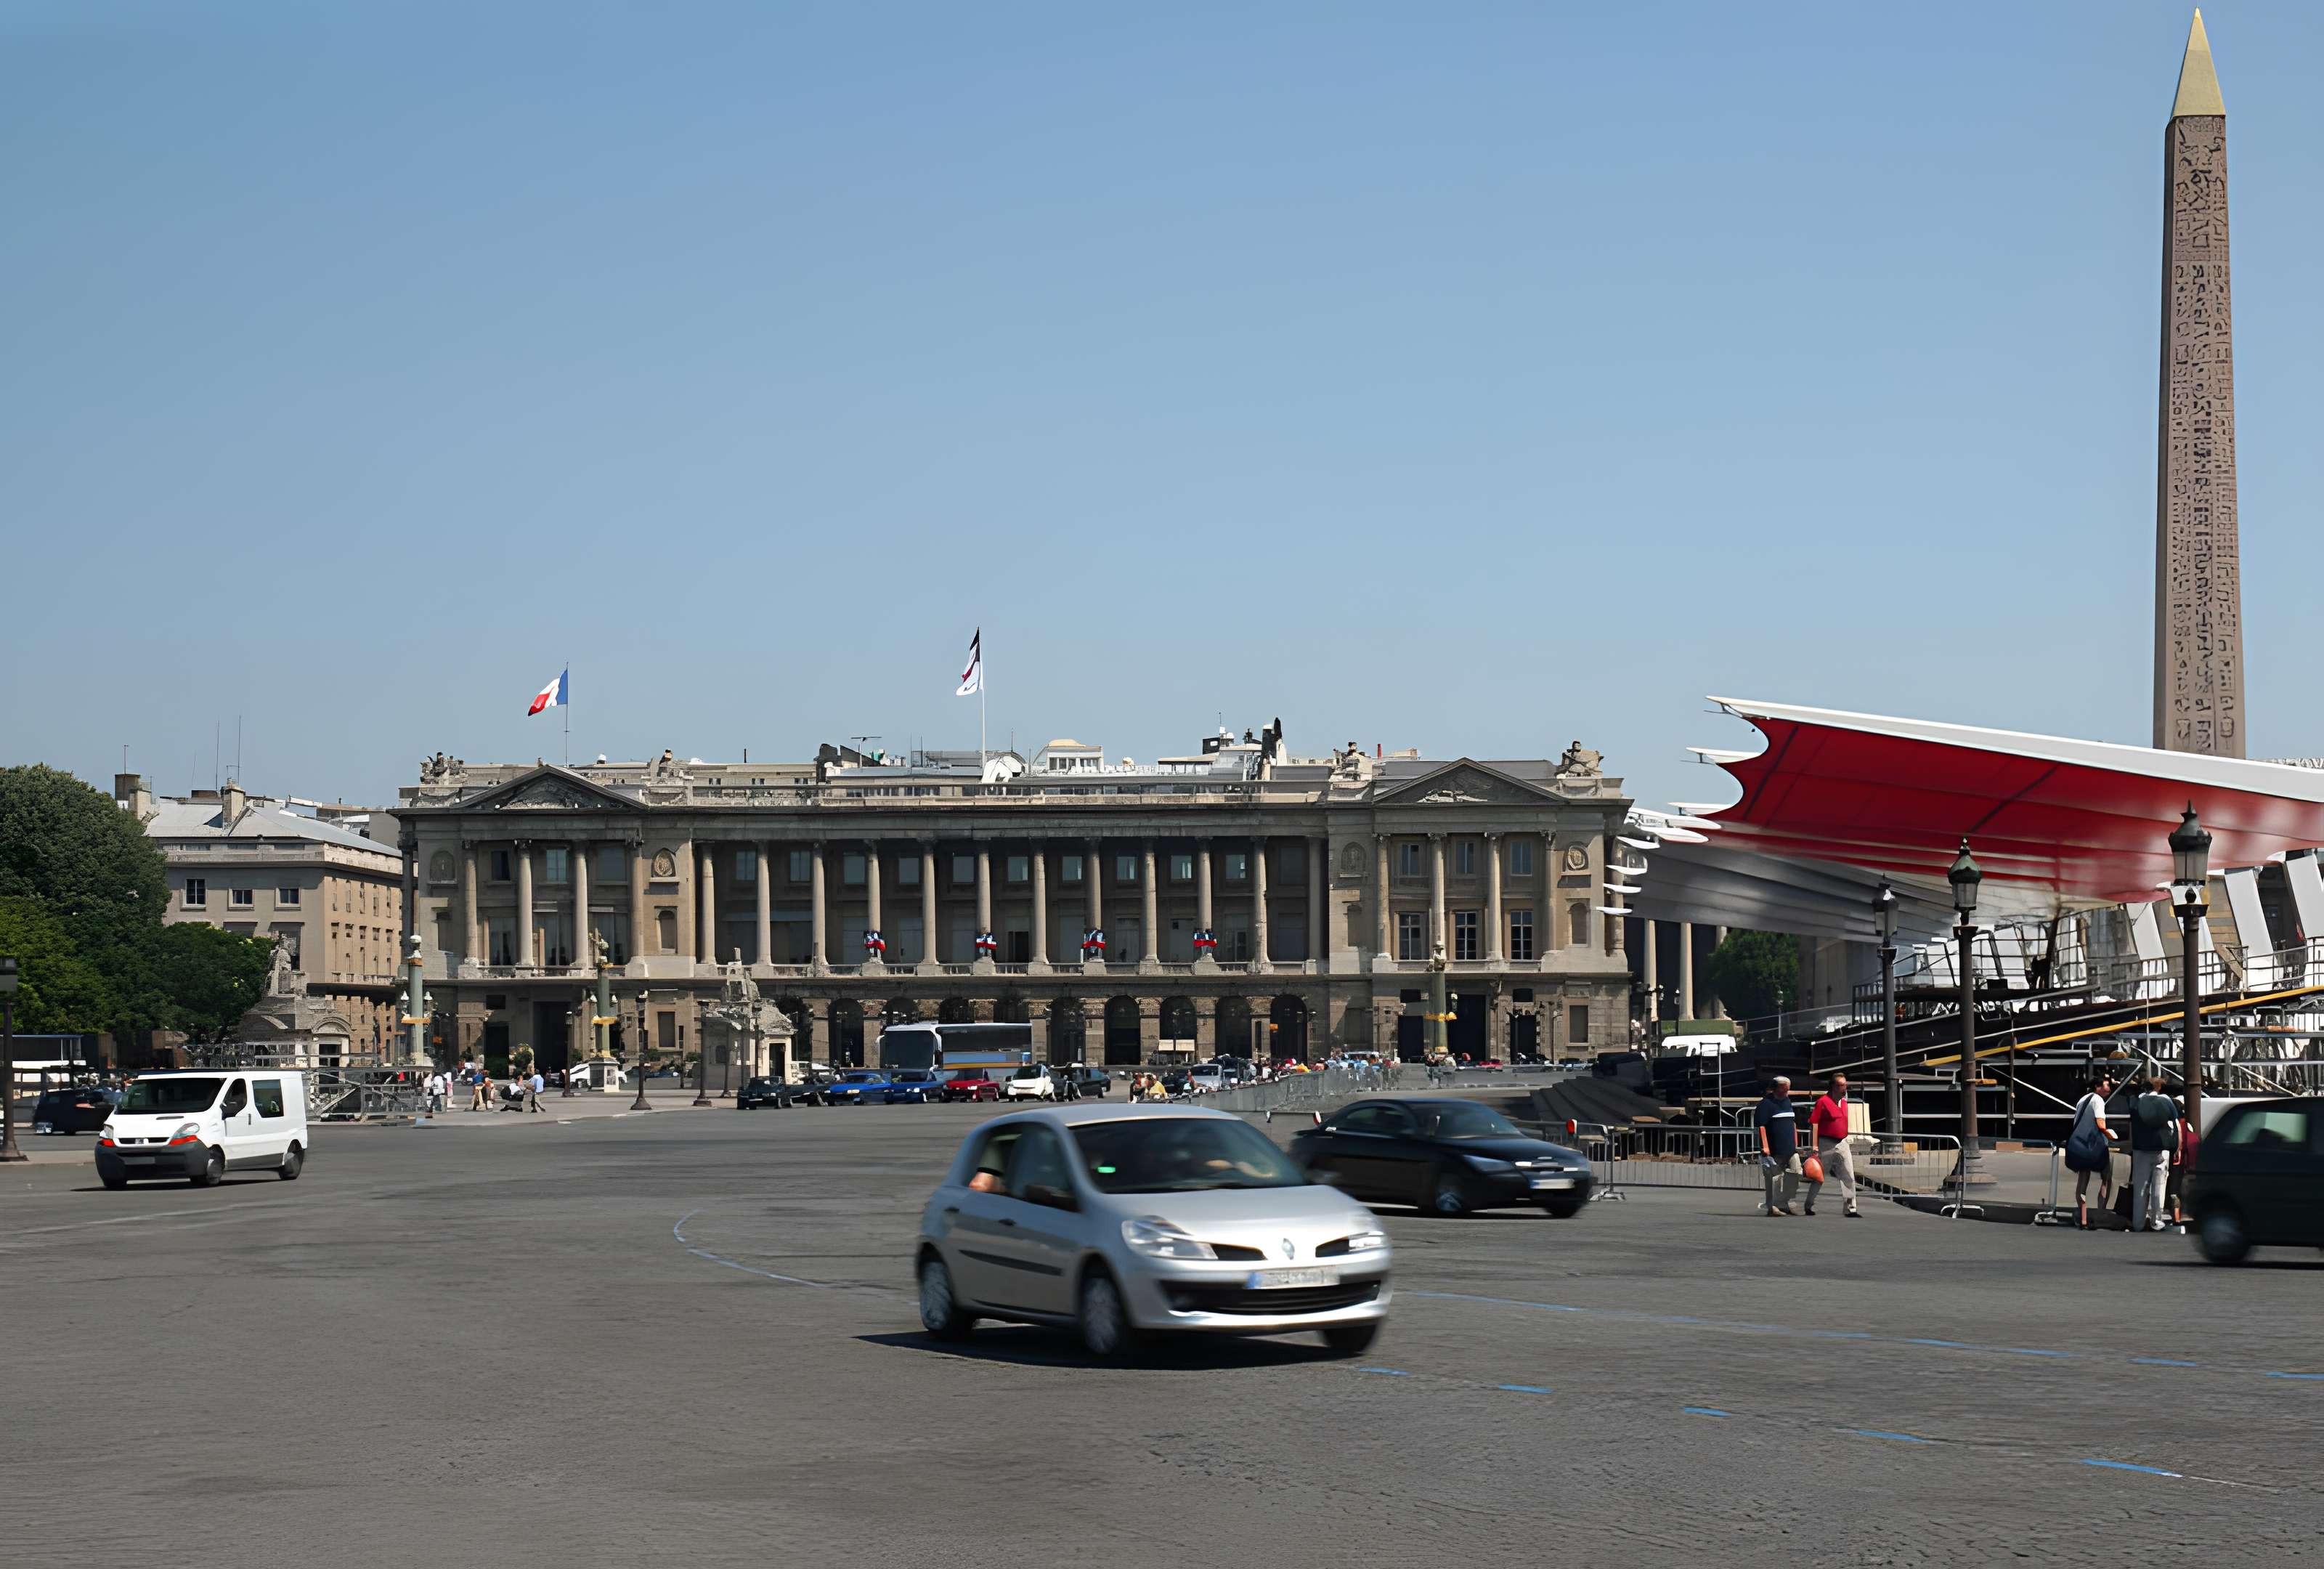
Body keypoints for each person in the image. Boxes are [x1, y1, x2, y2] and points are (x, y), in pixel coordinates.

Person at [2065, 1071, 2119, 1230]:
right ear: (2098, 1087)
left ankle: (2083, 1219)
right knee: (2106, 1178)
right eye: (2107, 1085)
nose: (2109, 1088)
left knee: (2083, 1181)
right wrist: (2112, 1135)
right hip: (2095, 1147)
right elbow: (2101, 1125)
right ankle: (2100, 1215)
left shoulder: (2082, 1100)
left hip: (2080, 1146)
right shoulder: (2098, 1100)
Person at [2127, 1074, 2180, 1233]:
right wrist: (2177, 1147)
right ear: (2159, 1088)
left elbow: (2132, 1122)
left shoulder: (2136, 1102)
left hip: (2141, 1149)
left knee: (2141, 1188)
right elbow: (2176, 1123)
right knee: (2159, 1188)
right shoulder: (2166, 1101)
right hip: (2161, 1149)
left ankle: (2138, 1223)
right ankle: (2156, 1222)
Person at [1805, 1073, 1861, 1218]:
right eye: (1842, 1085)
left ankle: (1851, 1208)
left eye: (1845, 1085)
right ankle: (1809, 1205)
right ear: (1834, 1087)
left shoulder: (1844, 1102)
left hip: (1842, 1142)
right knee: (1819, 1176)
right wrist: (1814, 1146)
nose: (1845, 1088)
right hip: (1825, 1143)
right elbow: (1814, 1123)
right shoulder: (1822, 1102)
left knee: (1848, 1175)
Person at [1752, 1074, 1802, 1217]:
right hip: (1774, 1149)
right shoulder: (1765, 1105)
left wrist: (1796, 1142)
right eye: (1784, 1089)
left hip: (1790, 1149)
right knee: (1774, 1179)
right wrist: (1765, 1147)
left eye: (1788, 1089)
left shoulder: (1787, 1102)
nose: (1786, 1092)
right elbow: (1761, 1128)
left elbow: (1792, 1123)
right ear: (1775, 1089)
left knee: (1796, 1173)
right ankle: (1772, 1207)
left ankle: (1783, 1202)